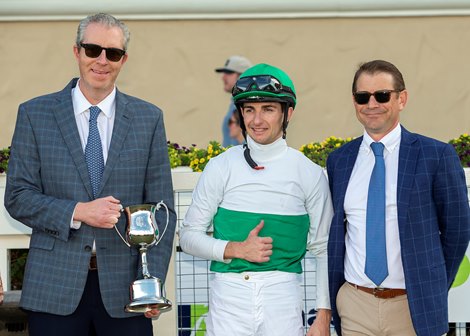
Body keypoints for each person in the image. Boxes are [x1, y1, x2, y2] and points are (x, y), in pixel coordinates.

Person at [4, 13, 176, 336]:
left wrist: (152, 282)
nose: (101, 60)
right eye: (92, 49)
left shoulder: (148, 119)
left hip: (127, 293)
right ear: (76, 52)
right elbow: (17, 197)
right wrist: (79, 212)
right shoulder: (34, 114)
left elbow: (162, 211)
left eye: (112, 53)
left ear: (123, 59)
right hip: (54, 288)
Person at [180, 63, 333, 336]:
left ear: (288, 113)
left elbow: (323, 250)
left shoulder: (309, 174)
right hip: (229, 296)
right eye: (249, 110)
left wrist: (322, 316)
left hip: (283, 297)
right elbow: (189, 237)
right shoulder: (220, 167)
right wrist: (236, 249)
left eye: (268, 109)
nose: (257, 120)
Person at [326, 59, 470, 336]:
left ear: (401, 99)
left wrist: (431, 285)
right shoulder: (340, 161)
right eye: (362, 96)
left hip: (412, 306)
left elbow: (457, 231)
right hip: (355, 304)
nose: (372, 104)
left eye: (382, 95)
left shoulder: (435, 156)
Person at [215, 55, 252, 147]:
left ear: (242, 76)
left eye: (228, 73)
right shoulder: (235, 101)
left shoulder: (249, 104)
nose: (223, 77)